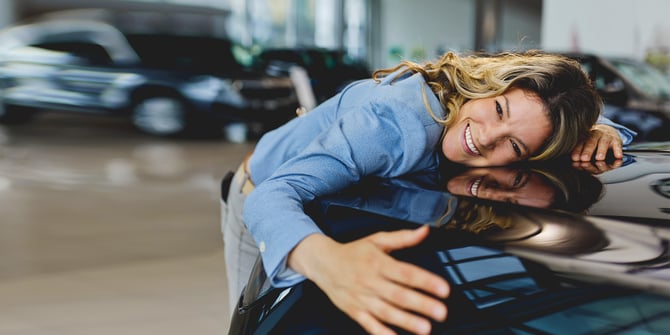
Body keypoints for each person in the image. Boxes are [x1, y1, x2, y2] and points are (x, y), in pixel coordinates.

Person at [221, 50, 635, 335]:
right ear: (488, 87)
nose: (488, 139)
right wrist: (327, 260)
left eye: (515, 146)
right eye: (498, 111)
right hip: (259, 187)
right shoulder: (393, 124)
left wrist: (602, 131)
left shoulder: (488, 124)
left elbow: (625, 138)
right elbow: (274, 195)